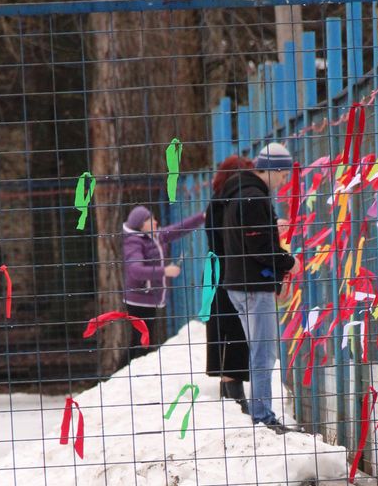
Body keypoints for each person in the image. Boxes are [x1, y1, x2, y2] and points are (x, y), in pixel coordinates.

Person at [221, 143, 302, 433]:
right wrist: (289, 262)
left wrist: (271, 230)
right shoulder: (253, 198)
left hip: (241, 283)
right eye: (283, 175)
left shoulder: (240, 193)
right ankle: (263, 416)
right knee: (263, 353)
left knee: (259, 350)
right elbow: (259, 247)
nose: (284, 181)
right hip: (253, 286)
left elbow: (251, 239)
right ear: (273, 169)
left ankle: (261, 412)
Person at [204, 155, 255, 414]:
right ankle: (235, 399)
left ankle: (231, 396)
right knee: (234, 332)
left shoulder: (218, 200)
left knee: (226, 332)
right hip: (228, 272)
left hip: (218, 271)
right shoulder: (227, 202)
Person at [122, 205, 205, 353]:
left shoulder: (155, 236)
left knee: (141, 342)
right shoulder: (134, 242)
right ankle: (130, 367)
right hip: (139, 300)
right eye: (150, 219)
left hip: (148, 297)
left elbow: (178, 229)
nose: (155, 222)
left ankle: (132, 366)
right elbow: (135, 270)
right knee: (140, 343)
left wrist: (202, 217)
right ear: (141, 225)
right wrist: (165, 271)